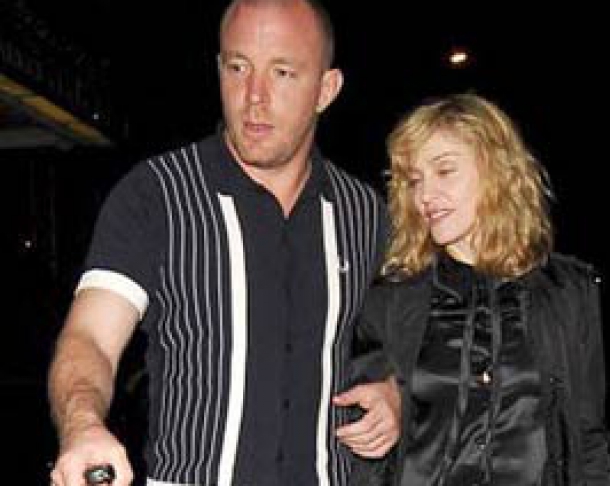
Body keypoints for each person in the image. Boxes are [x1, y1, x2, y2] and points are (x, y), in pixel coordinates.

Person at [47, 1, 400, 485]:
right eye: (238, 67)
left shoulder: (365, 212)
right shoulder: (156, 194)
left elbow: (411, 338)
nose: (254, 97)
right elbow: (89, 338)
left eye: (282, 72)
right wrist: (83, 424)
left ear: (326, 89)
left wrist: (397, 394)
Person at [351, 93, 610, 485]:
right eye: (415, 180)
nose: (425, 196)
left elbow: (587, 440)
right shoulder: (389, 301)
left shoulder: (567, 292)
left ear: (496, 169)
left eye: (445, 171)